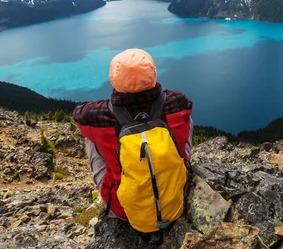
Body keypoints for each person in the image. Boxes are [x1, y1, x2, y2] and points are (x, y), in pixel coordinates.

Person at [73, 48, 193, 221]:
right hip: (176, 199)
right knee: (187, 119)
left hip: (125, 211)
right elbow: (187, 107)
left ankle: (116, 180)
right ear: (154, 75)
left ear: (113, 80)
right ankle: (181, 167)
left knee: (90, 136)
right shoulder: (176, 102)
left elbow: (78, 113)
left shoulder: (99, 116)